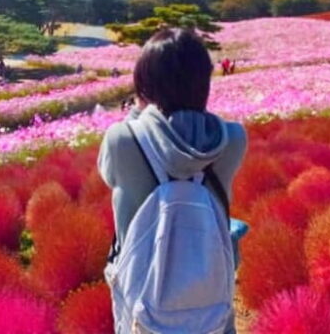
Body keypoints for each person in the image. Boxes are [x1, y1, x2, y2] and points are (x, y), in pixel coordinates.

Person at [98, 29, 247, 334]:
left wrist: (138, 112)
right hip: (211, 299)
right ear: (203, 82)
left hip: (143, 301)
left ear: (144, 83)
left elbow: (108, 174)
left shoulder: (122, 139)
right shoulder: (233, 138)